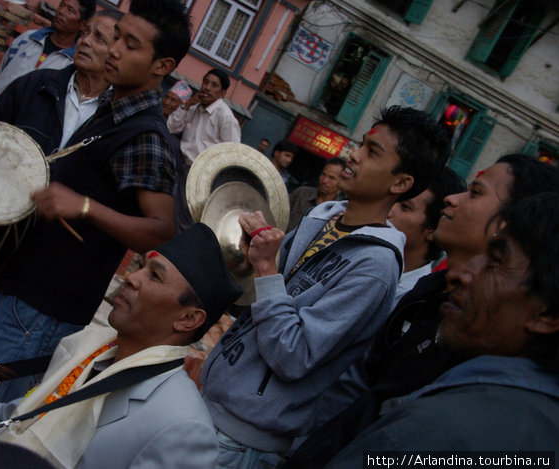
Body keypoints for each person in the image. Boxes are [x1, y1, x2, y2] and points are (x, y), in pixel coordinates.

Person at [0, 0, 192, 402]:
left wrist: (84, 206)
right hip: (24, 293)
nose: (116, 49)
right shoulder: (115, 110)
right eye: (117, 37)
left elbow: (162, 229)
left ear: (162, 65)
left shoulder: (145, 136)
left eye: (132, 45)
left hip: (42, 311)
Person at [201, 106, 450, 468]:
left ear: (400, 183)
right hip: (214, 406)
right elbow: (255, 304)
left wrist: (268, 268)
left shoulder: (376, 267)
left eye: (373, 152)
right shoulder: (323, 217)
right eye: (362, 143)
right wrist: (245, 258)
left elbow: (294, 355)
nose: (354, 154)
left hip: (242, 441)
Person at [283, 154, 559, 468]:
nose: (453, 200)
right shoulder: (428, 295)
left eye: (476, 193)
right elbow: (356, 392)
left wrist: (266, 278)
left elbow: (295, 353)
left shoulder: (459, 420)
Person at [0, 10, 119, 362]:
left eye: (99, 38)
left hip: (48, 252)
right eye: (86, 33)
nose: (85, 41)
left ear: (117, 54)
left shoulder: (116, 120)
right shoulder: (37, 85)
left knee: (5, 342)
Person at [0, 223, 243, 468]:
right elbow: (17, 419)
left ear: (188, 319)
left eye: (154, 276)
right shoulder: (89, 350)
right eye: (141, 266)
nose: (132, 278)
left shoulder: (184, 428)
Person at [0, 0, 97, 111]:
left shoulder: (71, 65)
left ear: (82, 24)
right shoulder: (27, 39)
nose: (61, 11)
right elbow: (2, 73)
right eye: (61, 5)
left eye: (70, 10)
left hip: (16, 129)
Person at [388, 166, 466, 302]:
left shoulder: (414, 297)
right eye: (394, 199)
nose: (389, 211)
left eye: (405, 207)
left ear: (432, 230)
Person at [166, 68, 240, 163]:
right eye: (205, 82)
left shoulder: (225, 117)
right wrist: (187, 104)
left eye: (214, 85)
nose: (207, 88)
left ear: (222, 93)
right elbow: (170, 128)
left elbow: (232, 153)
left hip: (201, 170)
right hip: (180, 159)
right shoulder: (194, 107)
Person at [287, 157, 346, 232]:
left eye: (331, 178)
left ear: (341, 182)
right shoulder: (301, 194)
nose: (324, 180)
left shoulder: (338, 212)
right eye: (323, 174)